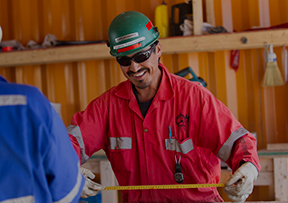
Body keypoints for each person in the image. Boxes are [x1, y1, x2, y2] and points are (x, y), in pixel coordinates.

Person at [68, 11, 261, 203]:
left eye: (141, 56)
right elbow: (67, 143)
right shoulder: (107, 107)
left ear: (158, 50)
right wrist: (68, 170)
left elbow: (238, 140)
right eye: (125, 61)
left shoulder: (194, 98)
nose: (134, 68)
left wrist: (248, 168)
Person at [0, 26, 85, 203]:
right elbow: (67, 191)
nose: (134, 66)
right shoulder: (28, 103)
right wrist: (75, 171)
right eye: (125, 59)